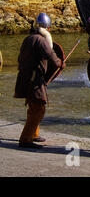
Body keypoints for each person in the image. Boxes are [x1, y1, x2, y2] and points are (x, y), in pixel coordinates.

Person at [14, 13, 64, 149]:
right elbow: (52, 57)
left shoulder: (29, 38)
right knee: (38, 109)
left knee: (33, 107)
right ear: (47, 28)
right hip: (34, 79)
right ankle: (25, 139)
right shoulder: (41, 41)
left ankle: (34, 134)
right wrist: (60, 62)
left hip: (26, 77)